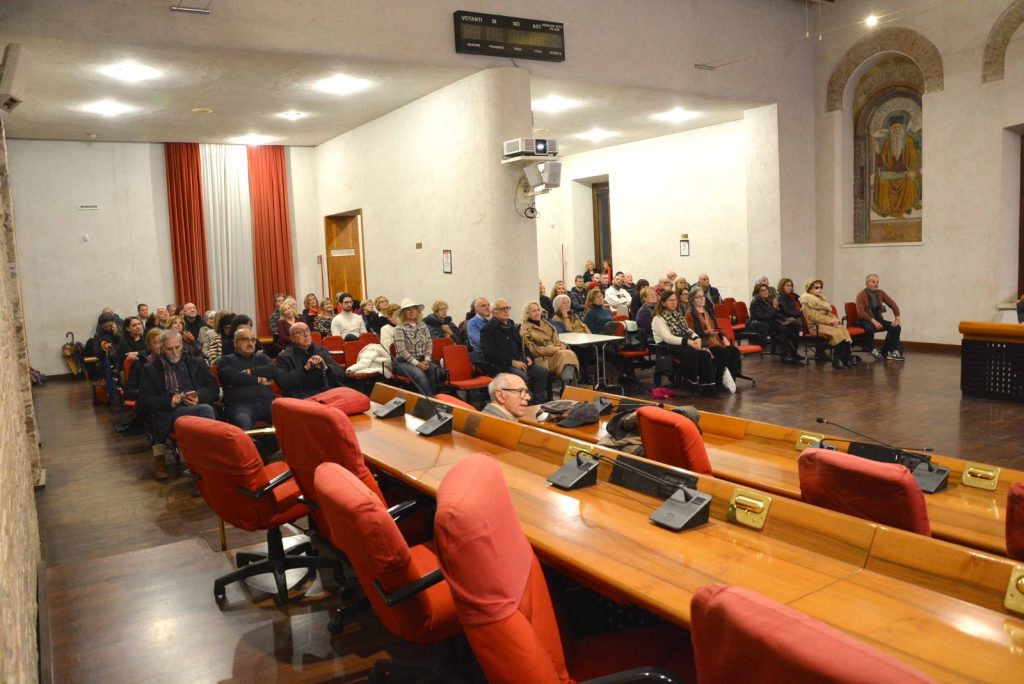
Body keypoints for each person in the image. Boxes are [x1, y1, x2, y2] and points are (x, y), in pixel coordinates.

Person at [138, 330, 217, 480]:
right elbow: (144, 401)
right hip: (170, 413)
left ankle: (200, 464)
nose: (174, 352)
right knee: (206, 411)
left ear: (182, 345)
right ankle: (209, 461)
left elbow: (212, 388)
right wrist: (169, 401)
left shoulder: (196, 362)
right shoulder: (151, 369)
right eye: (169, 349)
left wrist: (198, 396)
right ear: (162, 349)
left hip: (194, 407)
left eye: (177, 347)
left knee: (203, 411)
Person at [480, 298, 549, 403]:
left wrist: (528, 356)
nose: (506, 311)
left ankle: (537, 402)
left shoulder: (512, 326)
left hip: (521, 362)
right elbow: (489, 353)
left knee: (542, 372)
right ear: (493, 312)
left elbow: (523, 345)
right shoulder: (488, 329)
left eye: (507, 308)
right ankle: (524, 402)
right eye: (502, 309)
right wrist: (512, 362)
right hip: (503, 365)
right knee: (521, 375)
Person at [215, 327, 278, 430]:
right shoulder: (226, 360)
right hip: (241, 406)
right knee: (242, 420)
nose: (250, 343)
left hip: (267, 402)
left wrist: (250, 372)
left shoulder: (262, 358)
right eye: (245, 340)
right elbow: (232, 377)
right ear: (235, 343)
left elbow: (273, 370)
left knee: (288, 416)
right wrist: (259, 380)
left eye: (253, 340)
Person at [651, 289, 714, 390]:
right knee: (692, 353)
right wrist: (688, 342)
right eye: (670, 300)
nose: (674, 303)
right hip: (666, 346)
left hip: (681, 342)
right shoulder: (658, 318)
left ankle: (707, 386)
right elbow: (668, 338)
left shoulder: (677, 315)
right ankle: (689, 381)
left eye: (675, 300)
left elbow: (687, 329)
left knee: (704, 354)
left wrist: (696, 337)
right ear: (663, 303)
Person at [275, 322, 346, 398]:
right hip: (302, 393)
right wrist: (305, 369)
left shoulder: (321, 350)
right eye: (300, 332)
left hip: (326, 389)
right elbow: (282, 382)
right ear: (292, 338)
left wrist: (326, 367)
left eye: (307, 330)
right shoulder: (284, 356)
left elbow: (341, 373)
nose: (306, 335)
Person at [689, 289, 742, 388]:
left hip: (715, 340)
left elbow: (717, 328)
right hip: (704, 343)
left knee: (734, 351)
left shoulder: (708, 311)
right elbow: (691, 333)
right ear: (692, 299)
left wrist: (724, 336)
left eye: (703, 296)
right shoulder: (690, 314)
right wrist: (705, 332)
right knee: (723, 352)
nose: (702, 299)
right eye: (698, 297)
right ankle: (718, 382)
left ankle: (731, 380)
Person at [393, 298, 446, 396]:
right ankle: (429, 400)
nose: (411, 311)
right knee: (419, 375)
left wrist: (427, 360)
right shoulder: (399, 328)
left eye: (413, 308)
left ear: (417, 311)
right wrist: (417, 364)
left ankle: (432, 397)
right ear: (403, 313)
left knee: (436, 371)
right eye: (408, 309)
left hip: (422, 360)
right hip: (403, 362)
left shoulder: (423, 325)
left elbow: (429, 343)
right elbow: (401, 351)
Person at [521, 301, 580, 387]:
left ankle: (567, 386)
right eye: (533, 311)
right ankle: (569, 387)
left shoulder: (547, 324)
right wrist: (552, 349)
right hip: (541, 359)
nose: (537, 313)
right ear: (527, 314)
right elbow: (532, 350)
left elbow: (556, 340)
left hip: (555, 355)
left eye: (538, 310)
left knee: (568, 355)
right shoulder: (524, 329)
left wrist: (562, 346)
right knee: (567, 356)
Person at [871, 116, 921, 218]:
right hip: (891, 173)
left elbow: (915, 159)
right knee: (882, 182)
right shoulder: (887, 143)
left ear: (903, 129)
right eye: (894, 128)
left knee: (910, 180)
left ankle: (906, 206)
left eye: (898, 128)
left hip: (906, 172)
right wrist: (877, 150)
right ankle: (884, 208)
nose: (896, 130)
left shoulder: (909, 141)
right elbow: (882, 164)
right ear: (890, 130)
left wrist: (913, 171)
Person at [800, 278, 856, 369]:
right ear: (809, 289)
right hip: (815, 327)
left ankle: (846, 358)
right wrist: (829, 321)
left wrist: (834, 319)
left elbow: (829, 314)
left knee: (842, 329)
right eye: (816, 287)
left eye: (820, 287)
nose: (819, 289)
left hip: (824, 324)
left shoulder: (821, 301)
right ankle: (837, 360)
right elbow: (815, 317)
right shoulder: (806, 303)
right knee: (837, 333)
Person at [748, 283, 800, 364]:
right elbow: (764, 317)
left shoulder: (768, 300)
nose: (766, 292)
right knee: (783, 328)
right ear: (757, 293)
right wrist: (775, 308)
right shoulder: (755, 303)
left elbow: (777, 313)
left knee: (793, 325)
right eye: (762, 291)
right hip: (760, 325)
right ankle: (785, 356)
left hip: (770, 323)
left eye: (766, 290)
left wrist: (786, 319)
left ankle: (794, 353)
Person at [855, 273, 904, 360]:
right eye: (873, 282)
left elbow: (892, 304)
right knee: (870, 328)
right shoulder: (861, 295)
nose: (876, 284)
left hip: (878, 320)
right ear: (866, 283)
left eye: (877, 282)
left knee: (896, 327)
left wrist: (897, 317)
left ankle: (890, 351)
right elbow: (860, 312)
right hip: (865, 321)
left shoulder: (880, 293)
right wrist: (874, 321)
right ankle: (872, 349)